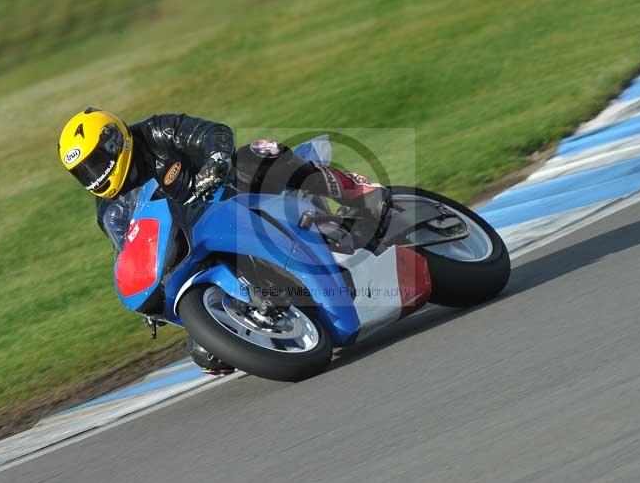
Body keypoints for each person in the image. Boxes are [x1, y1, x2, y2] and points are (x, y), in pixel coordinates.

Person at [57, 107, 391, 374]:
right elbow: (133, 251)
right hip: (196, 243)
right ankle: (260, 317)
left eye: (96, 162)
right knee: (206, 354)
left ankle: (354, 191)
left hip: (230, 193)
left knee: (259, 153)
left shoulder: (156, 131)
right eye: (84, 171)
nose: (94, 174)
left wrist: (215, 161)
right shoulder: (109, 213)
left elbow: (212, 133)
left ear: (115, 141)